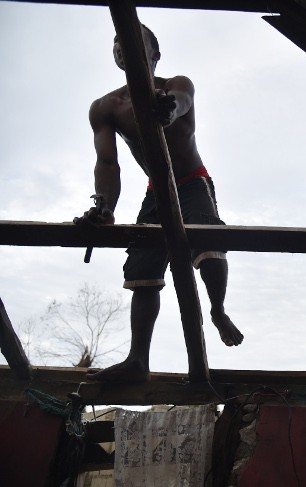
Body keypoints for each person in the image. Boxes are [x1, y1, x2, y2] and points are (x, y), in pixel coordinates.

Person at [75, 25, 243, 382]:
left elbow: (181, 101)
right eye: (117, 43)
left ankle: (217, 310)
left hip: (192, 180)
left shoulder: (175, 85)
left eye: (132, 41)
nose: (122, 47)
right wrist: (104, 207)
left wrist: (168, 109)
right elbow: (107, 163)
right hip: (156, 189)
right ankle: (138, 360)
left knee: (208, 237)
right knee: (142, 264)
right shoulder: (106, 107)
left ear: (154, 53)